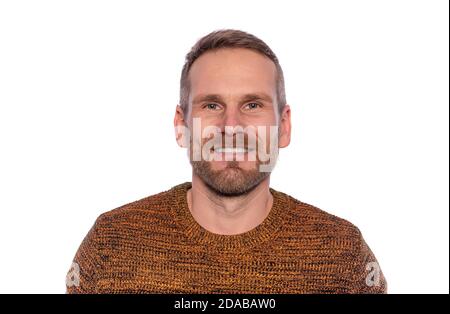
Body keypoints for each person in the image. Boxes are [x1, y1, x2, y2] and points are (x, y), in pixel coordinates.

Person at [66, 29, 387, 294]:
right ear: (181, 125)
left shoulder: (341, 252)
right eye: (211, 105)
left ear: (284, 127)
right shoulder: (112, 244)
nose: (231, 126)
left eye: (252, 105)